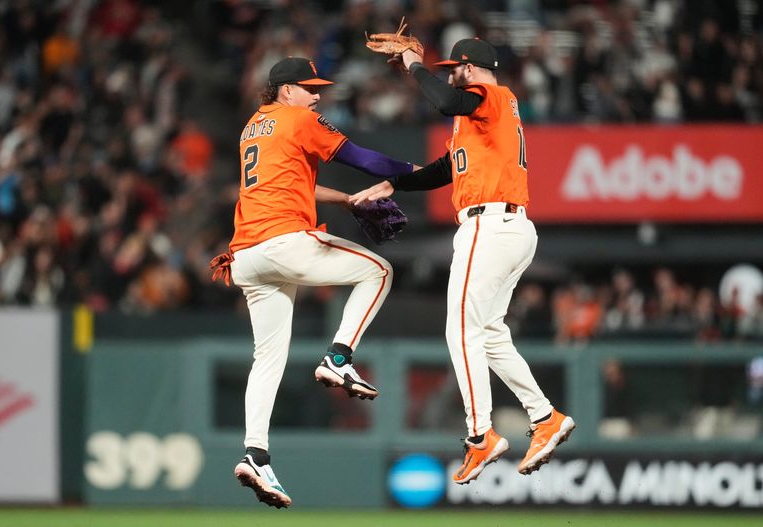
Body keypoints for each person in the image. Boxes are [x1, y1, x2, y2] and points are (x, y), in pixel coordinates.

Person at [351, 38, 576, 483]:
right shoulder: (479, 117)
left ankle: (480, 436)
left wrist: (415, 67)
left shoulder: (489, 95)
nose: (451, 71)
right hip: (507, 227)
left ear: (471, 68)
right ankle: (544, 416)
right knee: (489, 334)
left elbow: (446, 100)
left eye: (456, 66)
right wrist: (395, 183)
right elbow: (445, 169)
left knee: (460, 329)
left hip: (489, 226)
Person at [221, 57, 418, 508]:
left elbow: (294, 187)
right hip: (284, 242)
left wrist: (346, 201)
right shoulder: (298, 116)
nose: (316, 95)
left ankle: (255, 454)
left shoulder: (254, 126)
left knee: (267, 358)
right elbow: (361, 158)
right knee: (379, 271)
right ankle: (339, 357)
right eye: (308, 88)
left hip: (246, 255)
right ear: (285, 90)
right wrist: (417, 173)